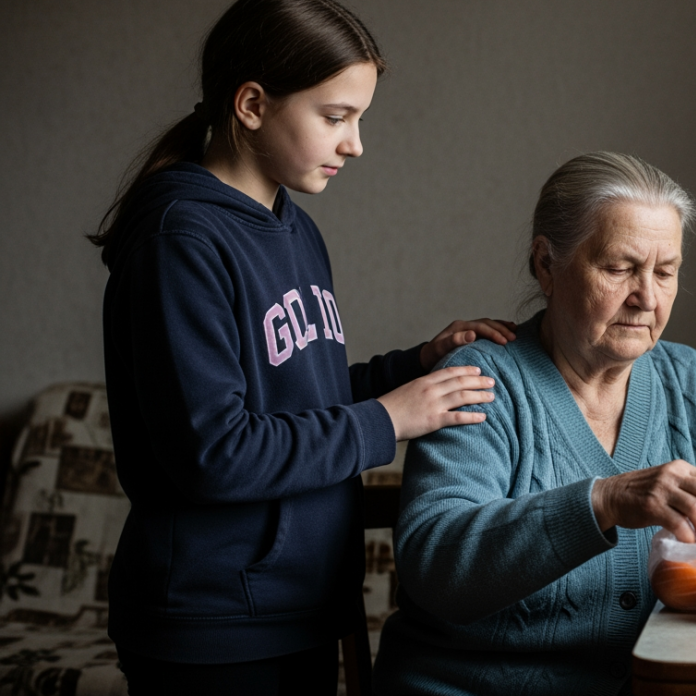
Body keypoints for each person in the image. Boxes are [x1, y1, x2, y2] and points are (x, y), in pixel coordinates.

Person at [89, 1, 513, 693]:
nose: (356, 144)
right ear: (253, 104)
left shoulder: (295, 228)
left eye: (359, 119)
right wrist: (389, 420)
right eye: (336, 116)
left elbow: (296, 398)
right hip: (214, 628)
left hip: (300, 608)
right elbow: (215, 454)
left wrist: (411, 368)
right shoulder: (181, 241)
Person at [372, 152, 696, 695]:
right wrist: (602, 501)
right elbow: (436, 562)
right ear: (546, 264)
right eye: (619, 268)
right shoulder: (480, 381)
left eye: (665, 271)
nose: (647, 298)